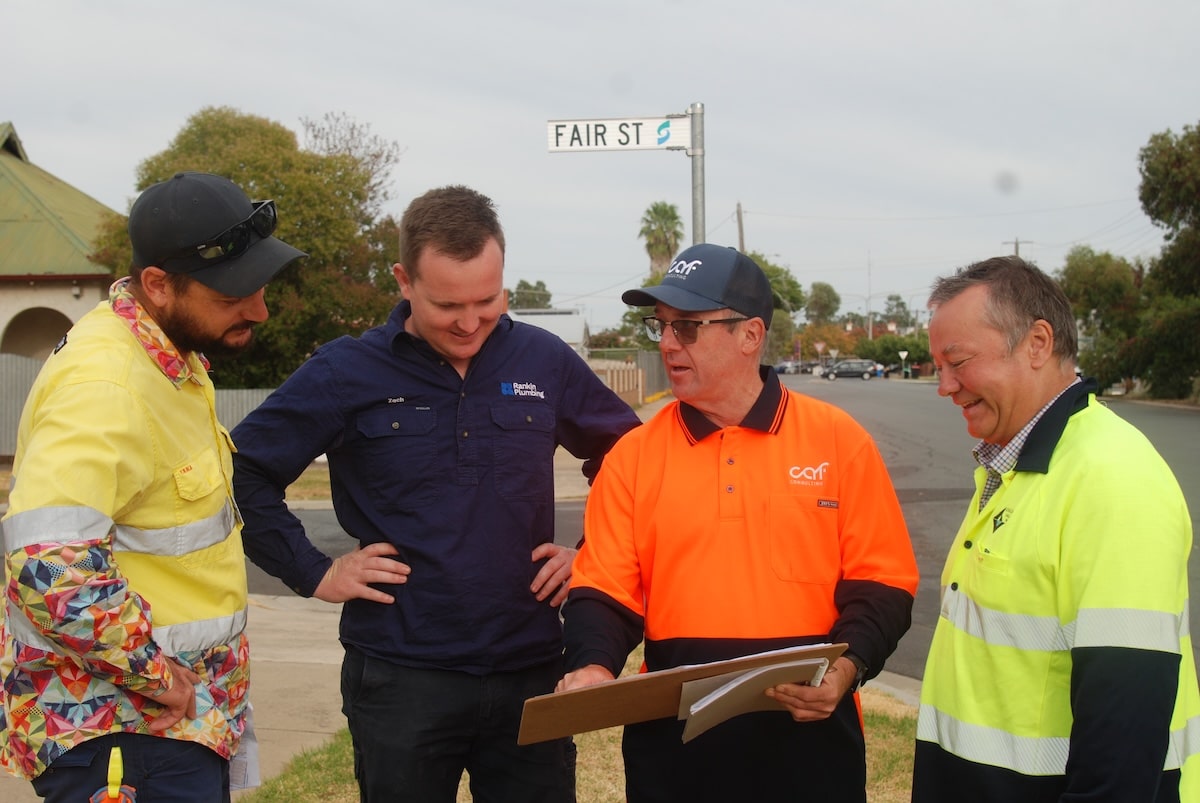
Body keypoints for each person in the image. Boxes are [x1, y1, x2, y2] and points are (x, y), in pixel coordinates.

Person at [230, 184, 641, 803]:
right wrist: (313, 571)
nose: (471, 322)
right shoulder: (346, 371)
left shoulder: (543, 360)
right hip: (400, 677)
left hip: (530, 666)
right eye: (449, 305)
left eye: (489, 299)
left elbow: (632, 460)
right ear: (404, 280)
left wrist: (588, 554)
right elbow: (242, 472)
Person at [557, 243, 919, 802]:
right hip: (674, 754)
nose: (668, 344)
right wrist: (592, 668)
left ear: (750, 334)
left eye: (687, 328)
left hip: (811, 745)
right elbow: (603, 588)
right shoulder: (632, 456)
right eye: (662, 326)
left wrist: (849, 670)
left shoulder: (839, 441)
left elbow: (884, 583)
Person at [0, 171, 307, 802]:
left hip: (168, 728)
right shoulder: (107, 384)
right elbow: (49, 566)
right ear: (159, 286)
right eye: (231, 296)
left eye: (258, 287)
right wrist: (155, 675)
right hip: (127, 735)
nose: (258, 310)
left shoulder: (166, 359)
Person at [912, 255, 1200, 802]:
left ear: (1038, 344)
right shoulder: (1014, 465)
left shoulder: (1111, 480)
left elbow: (1125, 731)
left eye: (959, 362)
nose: (944, 386)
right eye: (937, 367)